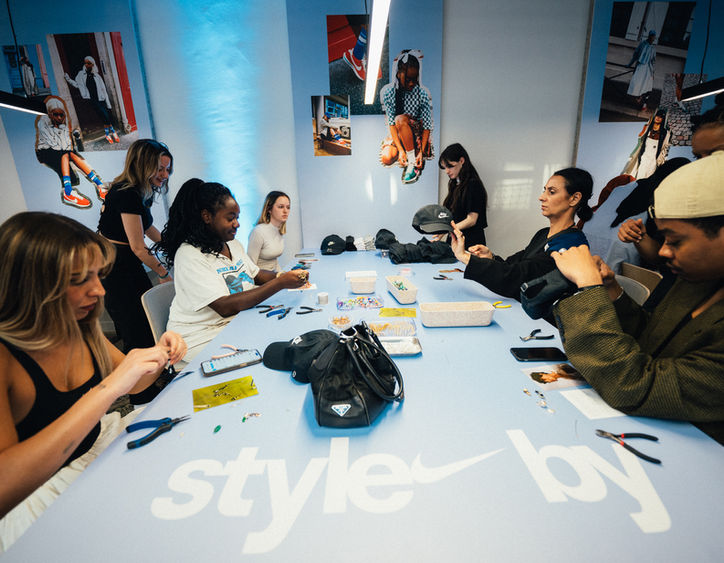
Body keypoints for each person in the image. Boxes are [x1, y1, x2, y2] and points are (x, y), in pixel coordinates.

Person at [0, 212, 186, 549]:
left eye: (98, 275)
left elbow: (136, 384)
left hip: (91, 460)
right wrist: (108, 388)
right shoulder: (5, 357)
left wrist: (160, 354)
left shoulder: (78, 328)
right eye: (78, 280)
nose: (99, 290)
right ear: (30, 286)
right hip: (36, 502)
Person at [550, 151, 724, 445]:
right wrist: (611, 291)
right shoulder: (696, 281)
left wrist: (589, 289)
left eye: (676, 240)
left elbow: (635, 385)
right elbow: (651, 340)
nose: (663, 251)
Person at [154, 180, 309, 364]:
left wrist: (282, 276)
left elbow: (255, 274)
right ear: (207, 217)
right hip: (201, 336)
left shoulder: (232, 244)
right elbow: (224, 306)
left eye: (237, 217)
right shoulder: (189, 255)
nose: (237, 224)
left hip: (234, 323)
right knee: (270, 352)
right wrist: (280, 283)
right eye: (230, 218)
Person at [450, 168, 593, 299]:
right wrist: (490, 257)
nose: (542, 197)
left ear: (574, 198)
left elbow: (517, 278)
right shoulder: (543, 234)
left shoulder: (571, 244)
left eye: (552, 192)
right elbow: (515, 265)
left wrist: (465, 257)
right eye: (544, 190)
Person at [98, 139, 173, 352]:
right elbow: (138, 247)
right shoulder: (127, 193)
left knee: (144, 318)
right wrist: (163, 272)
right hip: (115, 265)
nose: (165, 175)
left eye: (167, 169)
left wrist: (175, 247)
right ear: (142, 166)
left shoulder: (141, 190)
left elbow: (148, 227)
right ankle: (140, 370)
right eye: (160, 169)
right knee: (135, 325)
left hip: (124, 260)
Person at [35, 96, 107, 208]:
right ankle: (68, 193)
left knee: (71, 153)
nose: (59, 117)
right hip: (45, 152)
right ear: (50, 114)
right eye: (55, 114)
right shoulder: (43, 123)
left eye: (61, 114)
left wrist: (61, 130)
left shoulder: (64, 123)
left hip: (61, 150)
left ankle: (100, 185)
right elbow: (54, 145)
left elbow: (67, 145)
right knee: (65, 154)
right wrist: (58, 130)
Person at [379, 50, 434, 184]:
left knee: (400, 119)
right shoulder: (390, 93)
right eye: (408, 79)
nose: (411, 83)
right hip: (399, 132)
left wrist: (421, 151)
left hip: (415, 133)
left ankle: (412, 161)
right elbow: (391, 124)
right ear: (399, 74)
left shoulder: (422, 94)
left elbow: (427, 126)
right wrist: (400, 150)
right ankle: (407, 153)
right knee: (387, 157)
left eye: (414, 79)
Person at [438, 143, 488, 247]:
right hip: (455, 240)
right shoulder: (455, 184)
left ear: (461, 161)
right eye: (445, 167)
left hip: (471, 242)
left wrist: (448, 229)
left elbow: (471, 220)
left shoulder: (473, 184)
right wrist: (443, 231)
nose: (447, 171)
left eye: (450, 166)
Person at [64, 56, 120, 144]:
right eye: (85, 63)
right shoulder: (81, 74)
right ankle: (113, 132)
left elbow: (104, 90)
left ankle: (108, 134)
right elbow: (77, 85)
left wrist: (108, 104)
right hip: (93, 100)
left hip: (101, 99)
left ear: (93, 64)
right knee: (105, 116)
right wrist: (68, 79)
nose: (86, 65)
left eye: (89, 63)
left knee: (105, 117)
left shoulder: (97, 76)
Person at [247, 191, 290, 271]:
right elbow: (250, 267)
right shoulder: (258, 232)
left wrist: (282, 275)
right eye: (281, 207)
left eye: (288, 207)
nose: (285, 211)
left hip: (273, 275)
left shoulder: (278, 230)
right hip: (261, 277)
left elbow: (274, 262)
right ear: (269, 209)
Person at [622, 109, 671, 179]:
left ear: (663, 119)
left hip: (654, 159)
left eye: (661, 117)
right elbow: (640, 138)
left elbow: (665, 147)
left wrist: (663, 160)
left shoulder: (665, 133)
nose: (658, 118)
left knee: (649, 177)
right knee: (639, 175)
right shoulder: (647, 128)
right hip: (644, 156)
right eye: (657, 115)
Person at [627, 30, 657, 110]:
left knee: (648, 86)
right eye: (651, 35)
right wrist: (630, 64)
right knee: (636, 83)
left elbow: (653, 61)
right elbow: (635, 55)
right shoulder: (642, 44)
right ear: (649, 36)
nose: (652, 38)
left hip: (648, 69)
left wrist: (652, 73)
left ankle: (644, 104)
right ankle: (639, 97)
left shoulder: (653, 48)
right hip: (640, 67)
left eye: (653, 36)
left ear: (654, 38)